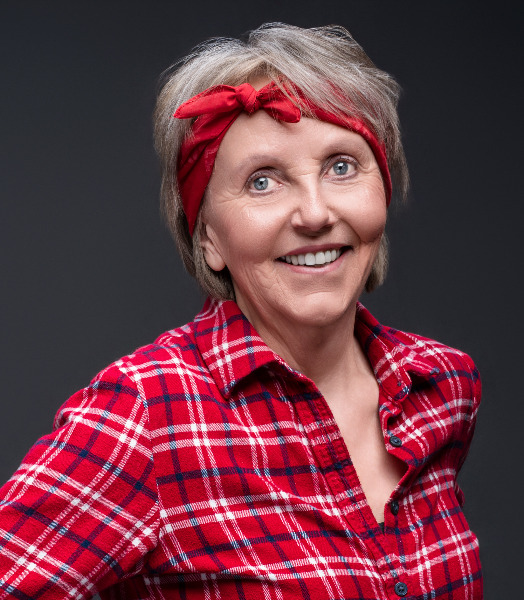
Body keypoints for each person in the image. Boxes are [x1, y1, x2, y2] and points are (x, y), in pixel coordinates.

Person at [0, 23, 482, 599]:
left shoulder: (440, 385)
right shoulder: (148, 416)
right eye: (262, 181)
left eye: (341, 166)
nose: (315, 213)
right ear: (208, 237)